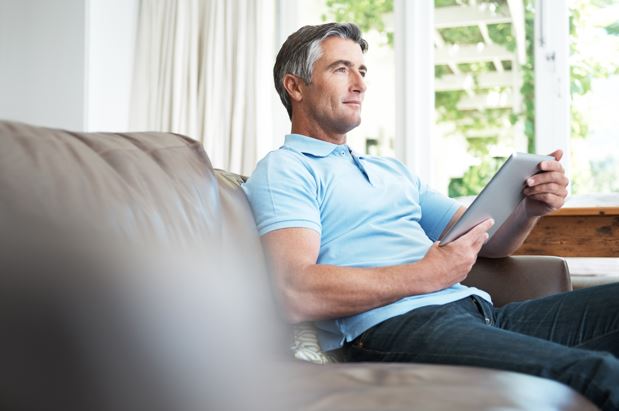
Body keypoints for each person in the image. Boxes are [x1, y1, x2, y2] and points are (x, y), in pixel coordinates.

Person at [242, 22, 619, 410]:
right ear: (296, 86)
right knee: (598, 374)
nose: (360, 83)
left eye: (362, 70)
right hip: (401, 329)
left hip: (479, 312)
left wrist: (528, 210)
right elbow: (295, 290)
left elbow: (486, 240)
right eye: (341, 69)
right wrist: (426, 274)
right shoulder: (286, 169)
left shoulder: (392, 170)